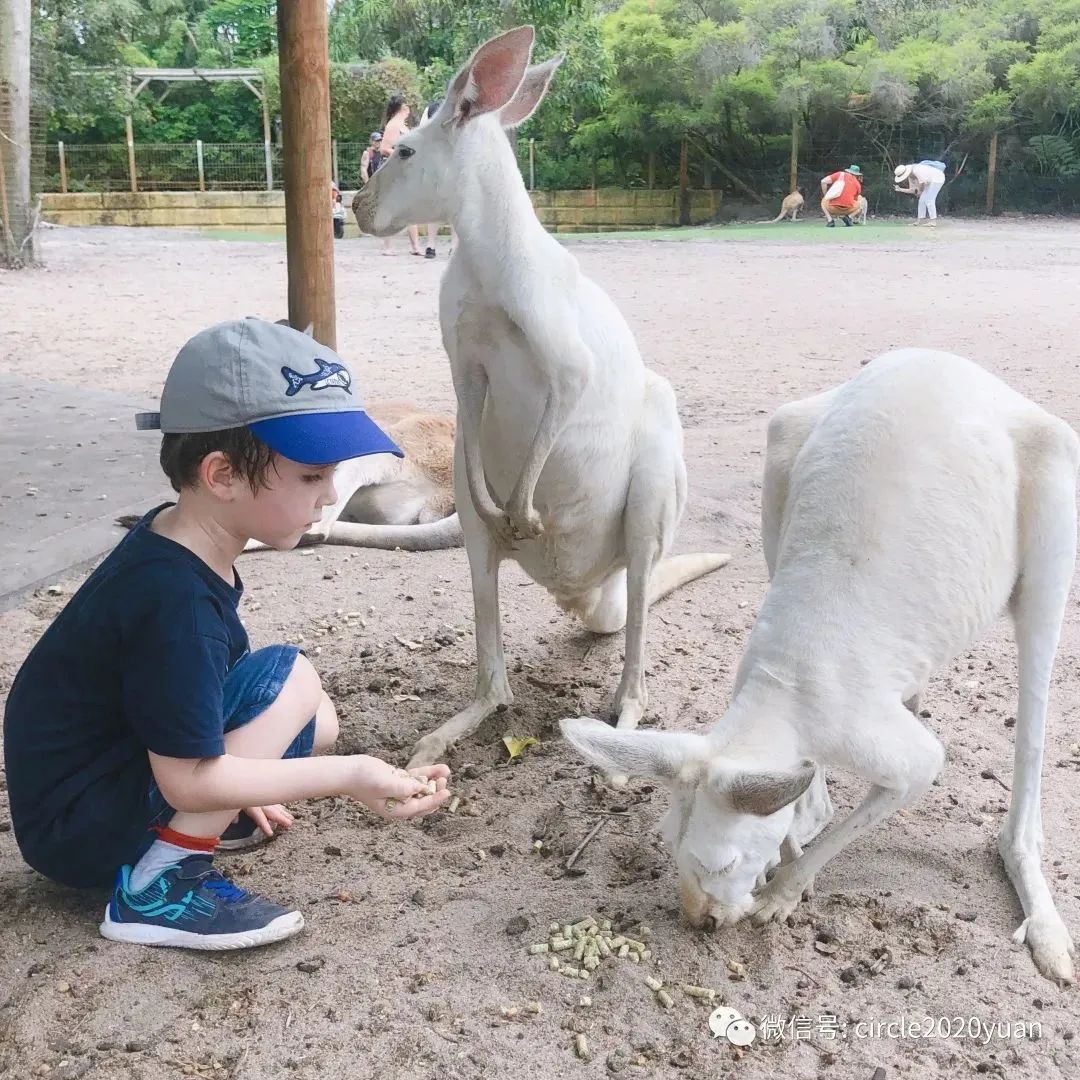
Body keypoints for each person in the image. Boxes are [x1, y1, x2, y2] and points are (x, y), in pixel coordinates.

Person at [2, 318, 452, 950]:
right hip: (79, 827)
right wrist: (351, 775)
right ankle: (161, 883)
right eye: (311, 476)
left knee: (316, 716)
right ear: (221, 476)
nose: (329, 496)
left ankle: (197, 824)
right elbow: (187, 781)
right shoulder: (174, 601)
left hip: (101, 785)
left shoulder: (180, 538)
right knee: (291, 676)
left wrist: (245, 783)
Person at [377, 95, 422, 256]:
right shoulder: (393, 125)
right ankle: (387, 246)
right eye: (407, 105)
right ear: (402, 108)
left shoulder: (401, 125)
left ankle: (415, 246)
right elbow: (384, 148)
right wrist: (402, 155)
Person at [417, 100, 457, 259]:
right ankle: (454, 246)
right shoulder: (459, 111)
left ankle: (431, 245)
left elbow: (421, 133)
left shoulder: (431, 108)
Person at [894, 160, 946, 226]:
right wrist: (900, 189)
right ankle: (919, 221)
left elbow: (922, 183)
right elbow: (913, 190)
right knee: (922, 200)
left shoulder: (916, 170)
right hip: (930, 181)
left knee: (929, 199)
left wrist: (920, 191)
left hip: (938, 178)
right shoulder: (910, 176)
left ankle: (933, 222)